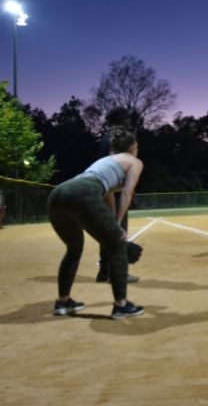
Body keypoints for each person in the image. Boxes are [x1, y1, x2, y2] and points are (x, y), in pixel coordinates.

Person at [48, 126, 144, 319]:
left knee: (74, 249)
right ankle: (121, 306)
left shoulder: (104, 161)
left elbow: (107, 195)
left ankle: (63, 302)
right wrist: (117, 229)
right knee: (117, 245)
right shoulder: (134, 161)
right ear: (133, 147)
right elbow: (127, 192)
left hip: (58, 194)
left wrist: (115, 224)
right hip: (83, 192)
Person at [96, 108, 139, 284]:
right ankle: (118, 273)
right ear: (120, 120)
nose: (130, 122)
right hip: (112, 191)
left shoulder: (106, 137)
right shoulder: (118, 139)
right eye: (127, 119)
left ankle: (105, 271)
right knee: (119, 231)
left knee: (108, 232)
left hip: (104, 189)